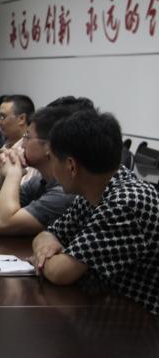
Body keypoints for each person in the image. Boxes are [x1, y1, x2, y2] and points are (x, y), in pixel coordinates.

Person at [32, 110, 159, 315]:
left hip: (139, 323)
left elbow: (60, 273)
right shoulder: (95, 189)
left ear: (71, 166)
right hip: (105, 308)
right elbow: (47, 234)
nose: (51, 168)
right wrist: (47, 247)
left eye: (52, 159)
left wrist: (42, 258)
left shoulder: (126, 203)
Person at [0, 104, 78, 236]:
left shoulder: (63, 192)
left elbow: (3, 224)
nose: (22, 144)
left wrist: (13, 174)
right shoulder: (39, 182)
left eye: (27, 137)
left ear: (49, 147)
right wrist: (3, 167)